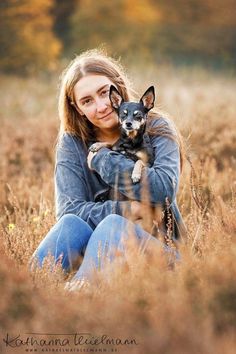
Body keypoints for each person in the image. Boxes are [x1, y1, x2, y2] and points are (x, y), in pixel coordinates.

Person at [31, 49, 186, 290]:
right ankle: (24, 294)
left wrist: (104, 159)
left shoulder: (156, 127)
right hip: (102, 250)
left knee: (113, 225)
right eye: (87, 101)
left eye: (104, 93)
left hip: (163, 255)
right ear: (77, 107)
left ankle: (79, 296)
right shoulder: (72, 143)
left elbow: (163, 190)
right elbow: (69, 210)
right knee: (71, 224)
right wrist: (131, 208)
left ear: (118, 87)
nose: (102, 106)